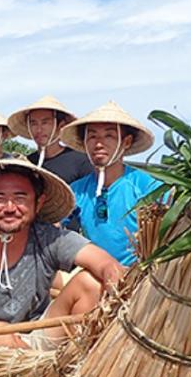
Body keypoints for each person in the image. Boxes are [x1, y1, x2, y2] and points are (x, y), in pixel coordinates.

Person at [0, 159, 123, 351]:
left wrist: (115, 286)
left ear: (38, 203)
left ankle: (72, 359)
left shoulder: (49, 238)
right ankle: (43, 366)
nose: (10, 208)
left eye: (20, 198)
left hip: (39, 335)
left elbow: (104, 263)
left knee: (91, 283)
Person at [60, 102, 160, 266]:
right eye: (92, 136)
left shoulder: (147, 186)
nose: (98, 144)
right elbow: (52, 225)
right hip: (93, 273)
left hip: (139, 277)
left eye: (109, 136)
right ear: (84, 143)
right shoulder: (77, 191)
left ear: (126, 142)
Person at [7, 95, 95, 184]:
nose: (39, 129)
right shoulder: (28, 162)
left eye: (45, 123)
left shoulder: (80, 161)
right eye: (33, 123)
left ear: (61, 126)